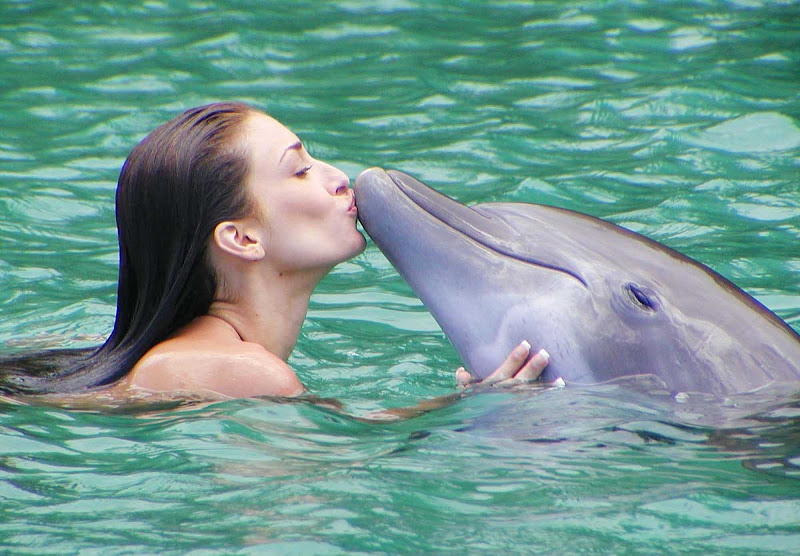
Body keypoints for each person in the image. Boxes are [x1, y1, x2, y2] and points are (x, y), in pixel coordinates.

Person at [0, 102, 549, 405]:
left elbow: (349, 432)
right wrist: (477, 409)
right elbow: (286, 513)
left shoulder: (229, 366)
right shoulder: (244, 372)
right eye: (301, 169)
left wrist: (473, 400)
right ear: (240, 238)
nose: (337, 178)